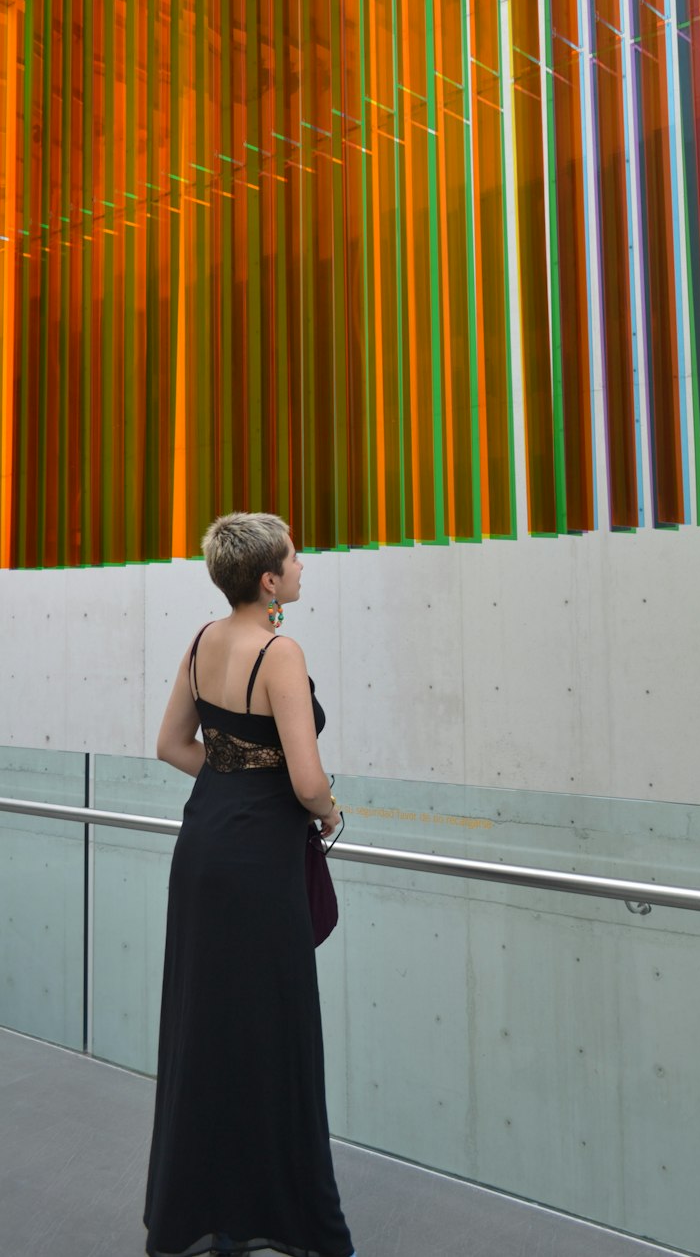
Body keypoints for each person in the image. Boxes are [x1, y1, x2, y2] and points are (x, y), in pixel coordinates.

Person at [144, 511, 356, 1257]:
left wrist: (234, 787)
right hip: (261, 868)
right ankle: (289, 1223)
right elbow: (306, 780)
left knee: (205, 1031)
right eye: (294, 560)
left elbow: (172, 745)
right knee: (275, 1036)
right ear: (268, 581)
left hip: (202, 852)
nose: (302, 569)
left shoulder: (202, 641)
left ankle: (196, 1218)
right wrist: (330, 812)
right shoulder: (281, 651)